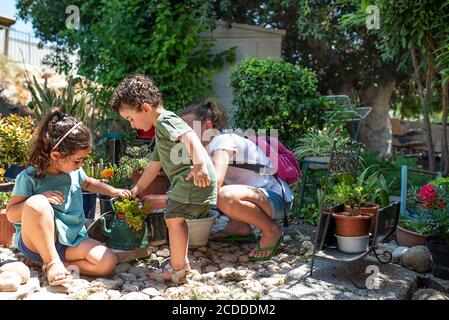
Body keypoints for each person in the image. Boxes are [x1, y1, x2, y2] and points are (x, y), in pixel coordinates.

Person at [111, 74, 217, 283]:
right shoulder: (162, 129)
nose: (132, 125)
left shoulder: (165, 121)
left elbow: (190, 136)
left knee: (173, 220)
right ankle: (180, 264)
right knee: (176, 220)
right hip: (192, 178)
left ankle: (177, 270)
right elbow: (154, 165)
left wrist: (199, 166)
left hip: (193, 178)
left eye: (131, 119)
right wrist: (138, 189)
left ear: (145, 108)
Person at [6, 111, 132, 286]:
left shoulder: (73, 171)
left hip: (71, 241)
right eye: (78, 160)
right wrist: (39, 197)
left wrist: (112, 190)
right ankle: (51, 263)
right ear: (56, 155)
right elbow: (11, 214)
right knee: (37, 203)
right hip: (35, 242)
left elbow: (88, 183)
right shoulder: (28, 177)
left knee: (107, 262)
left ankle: (51, 263)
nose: (81, 165)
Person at [181, 99, 293, 261]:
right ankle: (239, 226)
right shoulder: (206, 149)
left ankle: (271, 231)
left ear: (207, 127)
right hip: (262, 198)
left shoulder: (222, 141)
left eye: (188, 130)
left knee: (223, 194)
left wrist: (168, 200)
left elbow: (215, 183)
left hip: (277, 200)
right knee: (221, 189)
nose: (183, 136)